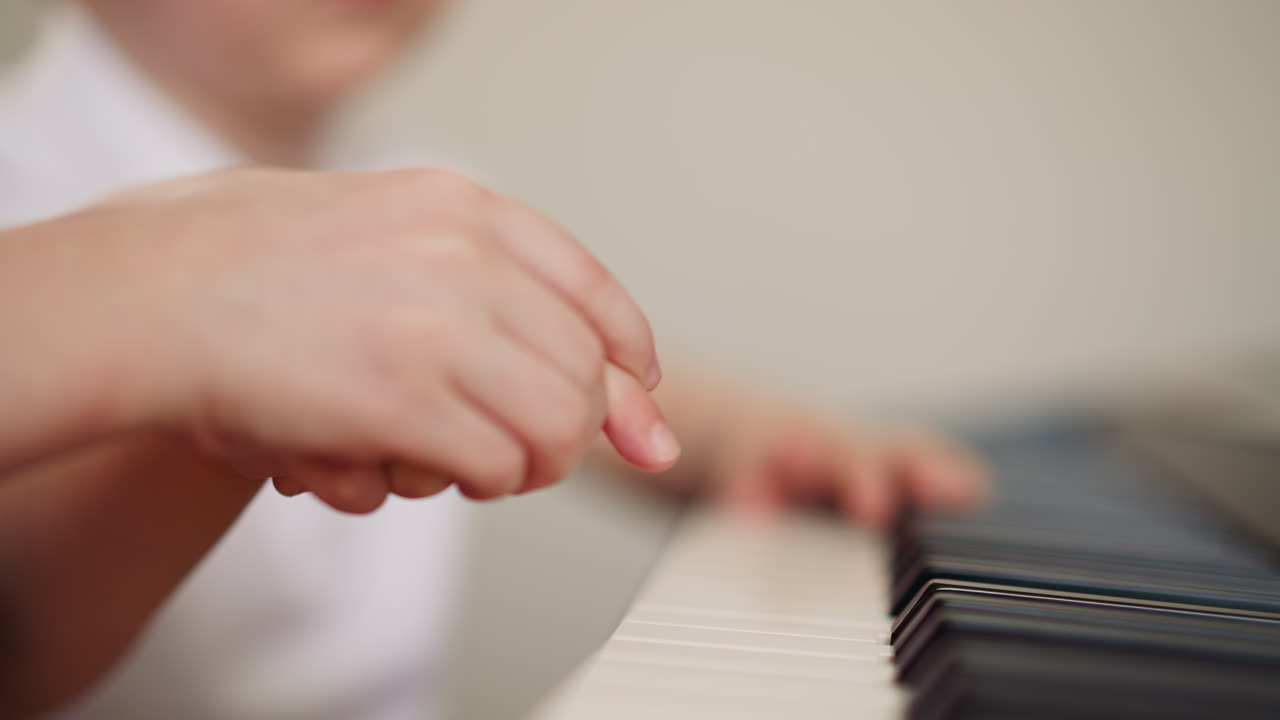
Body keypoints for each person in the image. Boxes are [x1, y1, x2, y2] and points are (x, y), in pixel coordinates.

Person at [0, 3, 985, 719]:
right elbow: (24, 650)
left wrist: (741, 434)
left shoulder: (427, 181)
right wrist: (215, 395)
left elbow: (571, 361)